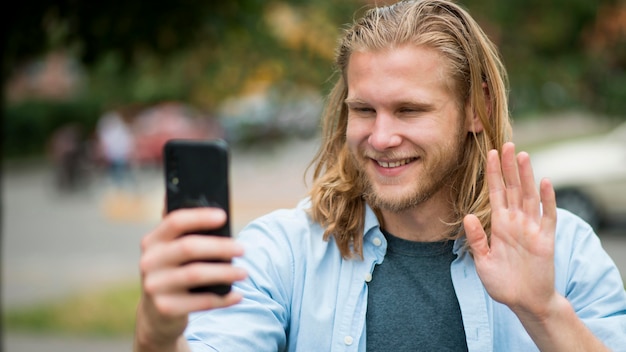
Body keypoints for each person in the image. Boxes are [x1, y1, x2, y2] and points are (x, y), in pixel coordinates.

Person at [134, 0, 626, 351]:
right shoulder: (283, 254)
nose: (380, 137)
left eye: (409, 110)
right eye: (364, 109)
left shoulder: (566, 253)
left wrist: (543, 311)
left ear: (477, 108)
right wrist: (158, 337)